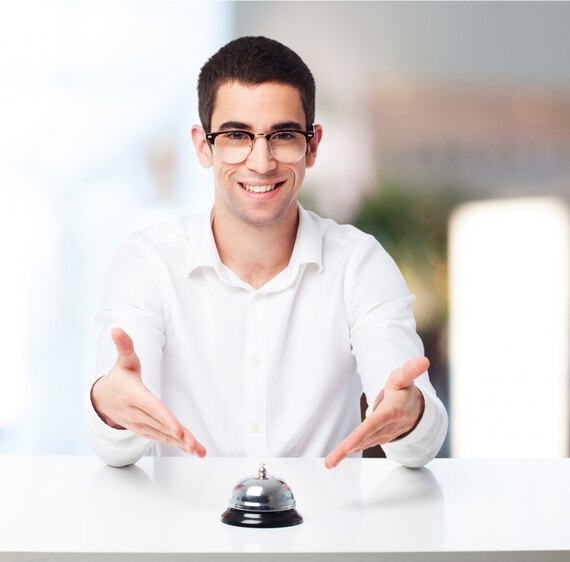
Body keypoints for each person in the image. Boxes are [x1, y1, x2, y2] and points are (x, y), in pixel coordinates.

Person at [86, 36, 448, 469]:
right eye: (238, 135)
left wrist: (411, 418)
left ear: (312, 146)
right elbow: (114, 443)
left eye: (283, 135)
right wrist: (109, 408)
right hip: (186, 534)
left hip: (323, 531)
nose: (262, 162)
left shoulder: (359, 263)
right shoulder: (149, 261)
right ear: (204, 145)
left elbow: (419, 434)